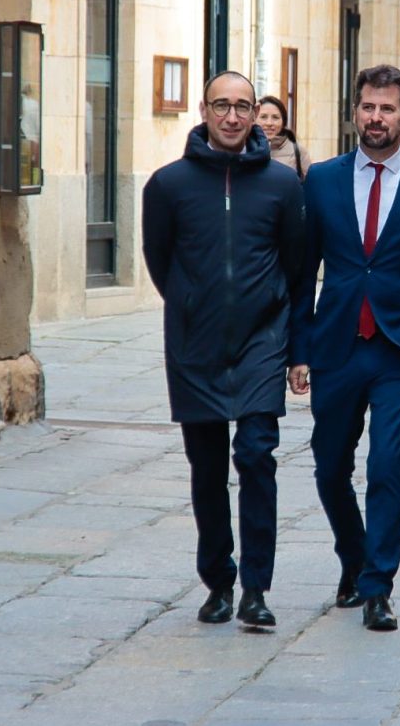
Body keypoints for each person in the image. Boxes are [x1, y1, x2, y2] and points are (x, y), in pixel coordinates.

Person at [288, 65, 400, 632]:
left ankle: (378, 587)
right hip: (336, 346)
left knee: (387, 464)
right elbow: (302, 273)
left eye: (388, 109)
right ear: (354, 113)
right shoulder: (322, 180)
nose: (376, 117)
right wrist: (298, 349)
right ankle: (354, 555)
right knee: (329, 465)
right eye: (368, 107)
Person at [142, 71, 305, 629]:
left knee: (257, 457)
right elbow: (161, 262)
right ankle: (217, 581)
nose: (232, 117)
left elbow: (297, 268)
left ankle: (256, 588)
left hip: (263, 341)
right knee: (207, 468)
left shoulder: (282, 186)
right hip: (196, 346)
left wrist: (293, 345)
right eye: (221, 106)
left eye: (242, 106)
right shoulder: (168, 185)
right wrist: (192, 304)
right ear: (204, 110)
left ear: (256, 113)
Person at [256, 95, 312, 180]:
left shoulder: (299, 152)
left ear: (283, 122)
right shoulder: (244, 149)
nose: (269, 123)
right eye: (263, 117)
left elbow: (309, 185)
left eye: (275, 117)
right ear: (253, 119)